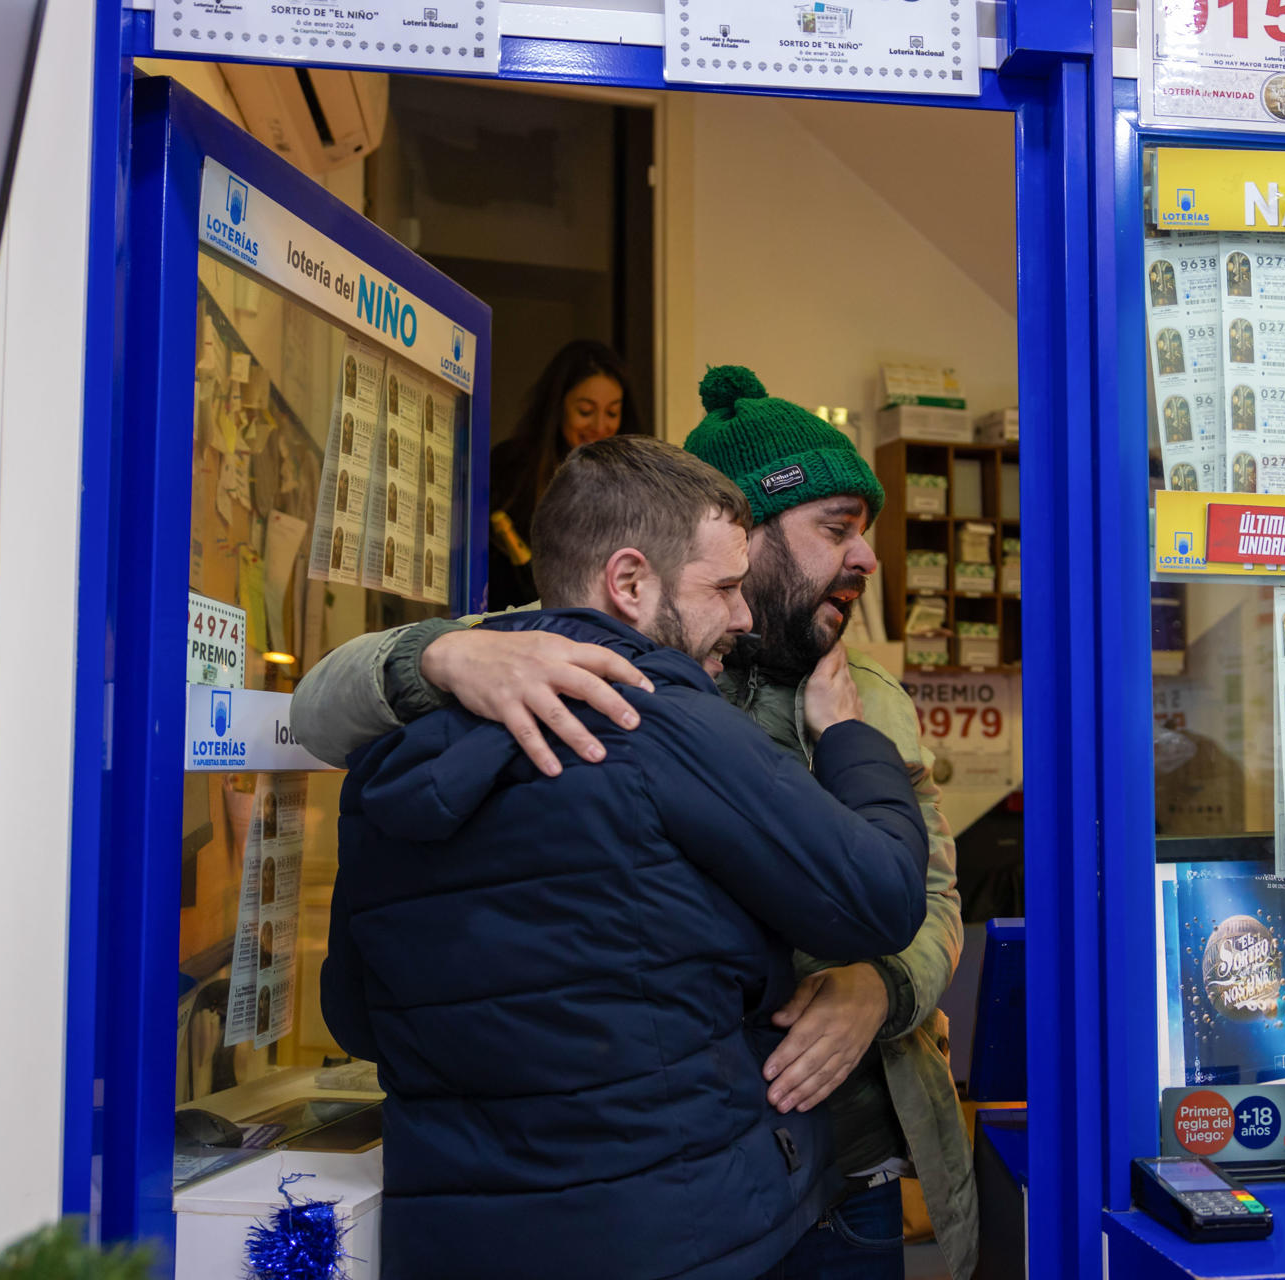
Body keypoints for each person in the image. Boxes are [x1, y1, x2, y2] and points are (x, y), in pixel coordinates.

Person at [294, 366, 977, 1279]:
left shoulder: (867, 703)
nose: (865, 559)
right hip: (693, 1192)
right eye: (836, 529)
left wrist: (880, 988)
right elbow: (317, 707)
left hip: (844, 1164)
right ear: (748, 535)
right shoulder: (547, 660)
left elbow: (929, 896)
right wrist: (445, 652)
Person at [487, 340, 647, 609]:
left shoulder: (632, 479)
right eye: (585, 411)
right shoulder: (512, 468)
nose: (599, 426)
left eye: (612, 412)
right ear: (557, 406)